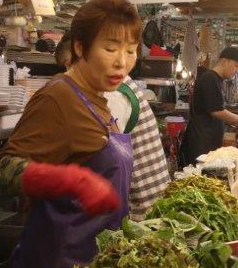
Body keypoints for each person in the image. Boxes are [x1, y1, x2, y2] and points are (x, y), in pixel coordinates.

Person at [0, 0, 139, 268]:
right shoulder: (58, 97)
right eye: (110, 48)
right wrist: (72, 181)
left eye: (131, 51)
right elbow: (4, 170)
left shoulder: (99, 99)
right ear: (79, 47)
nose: (122, 62)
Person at [53, 35, 169, 221]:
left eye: (71, 64)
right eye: (66, 67)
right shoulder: (116, 82)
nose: (69, 73)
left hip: (142, 210)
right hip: (149, 203)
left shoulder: (112, 93)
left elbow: (106, 154)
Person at [178, 47, 238, 167]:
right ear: (225, 61)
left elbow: (215, 107)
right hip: (200, 145)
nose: (237, 71)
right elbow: (216, 111)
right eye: (236, 65)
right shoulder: (210, 78)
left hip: (207, 142)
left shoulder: (217, 79)